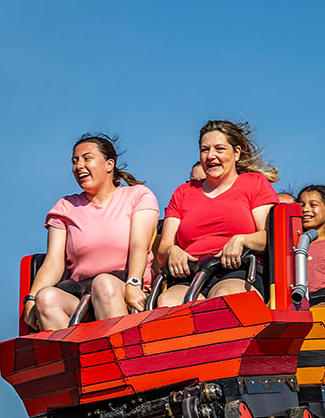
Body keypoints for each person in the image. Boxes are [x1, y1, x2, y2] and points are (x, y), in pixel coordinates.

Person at [23, 134, 159, 331]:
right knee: (46, 297)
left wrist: (133, 283)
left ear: (109, 164)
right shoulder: (65, 207)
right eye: (75, 161)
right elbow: (53, 262)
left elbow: (140, 245)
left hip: (123, 288)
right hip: (79, 295)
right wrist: (32, 297)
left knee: (103, 284)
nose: (79, 166)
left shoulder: (137, 196)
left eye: (87, 158)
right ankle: (74, 360)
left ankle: (118, 355)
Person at [157, 120, 279, 306]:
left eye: (219, 149)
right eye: (205, 150)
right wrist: (173, 250)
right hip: (189, 273)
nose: (211, 156)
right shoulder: (183, 192)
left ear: (236, 153)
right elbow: (163, 249)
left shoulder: (255, 184)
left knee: (226, 299)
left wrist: (242, 240)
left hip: (237, 269)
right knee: (168, 302)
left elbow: (269, 237)